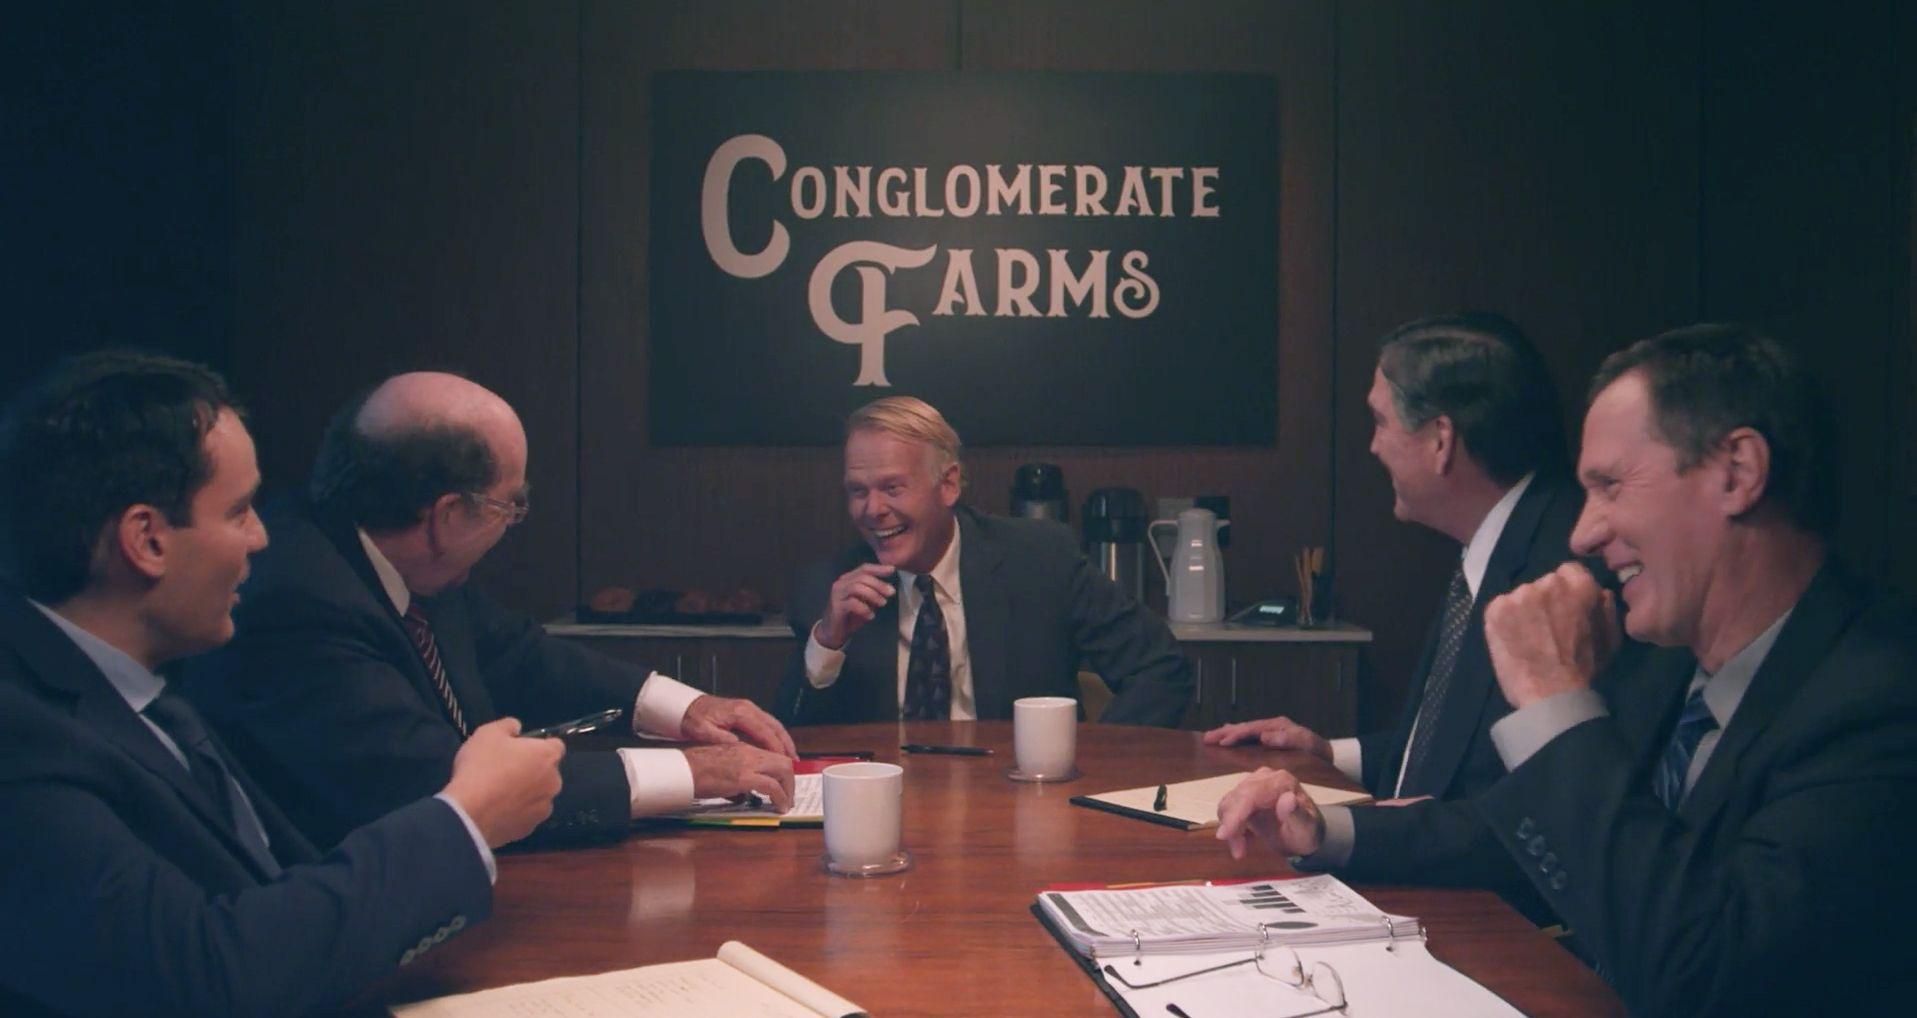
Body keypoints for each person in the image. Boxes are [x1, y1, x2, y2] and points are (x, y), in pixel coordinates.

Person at [1222, 325, 1917, 1015]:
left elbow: (1707, 974)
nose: (1582, 533)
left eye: (1610, 485)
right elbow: (1545, 838)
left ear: (1736, 473)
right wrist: (1324, 831)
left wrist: (1552, 700)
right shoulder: (1672, 666)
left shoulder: (1878, 700)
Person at [0, 352, 564, 1016]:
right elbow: (209, 976)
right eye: (238, 511)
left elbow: (281, 889)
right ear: (146, 540)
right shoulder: (22, 737)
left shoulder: (145, 691)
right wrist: (465, 818)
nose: (261, 538)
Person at [182, 372, 795, 850]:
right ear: (449, 516)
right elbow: (442, 783)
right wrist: (693, 775)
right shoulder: (299, 600)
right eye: (510, 507)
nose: (255, 534)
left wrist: (690, 709)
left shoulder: (414, 565)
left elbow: (517, 653)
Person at [1205, 313, 1586, 878]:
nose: (1373, 446)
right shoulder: (1495, 549)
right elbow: (1453, 760)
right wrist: (1329, 755)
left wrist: (1328, 827)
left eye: (1380, 421)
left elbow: (1527, 820)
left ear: (1440, 440)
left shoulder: (1555, 580)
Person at [775, 396, 1191, 726]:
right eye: (857, 490)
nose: (873, 509)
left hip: (1022, 802)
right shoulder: (828, 587)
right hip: (888, 809)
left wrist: (1091, 764)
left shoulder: (1040, 561)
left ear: (949, 484)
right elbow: (790, 736)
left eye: (893, 487)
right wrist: (826, 642)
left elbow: (1160, 669)